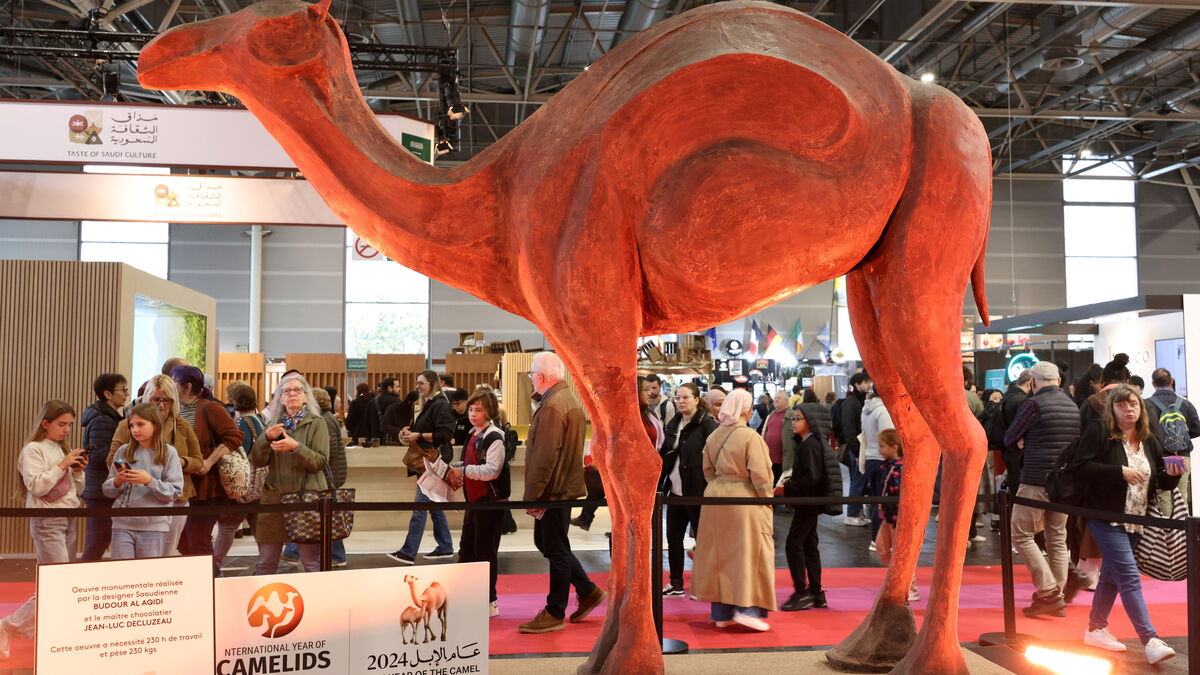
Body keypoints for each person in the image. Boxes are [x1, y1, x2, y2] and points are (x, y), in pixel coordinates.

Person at [1073, 384, 1183, 665]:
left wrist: (1172, 474)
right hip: (1104, 517)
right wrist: (1117, 472)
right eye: (1121, 405)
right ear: (1112, 409)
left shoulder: (1149, 439)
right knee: (1129, 576)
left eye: (1132, 404)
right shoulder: (1100, 431)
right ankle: (1150, 639)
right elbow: (1079, 466)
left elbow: (1159, 480)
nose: (1128, 409)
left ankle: (1096, 628)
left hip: (1136, 520)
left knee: (1111, 575)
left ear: (1141, 408)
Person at [518, 352, 605, 634]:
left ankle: (555, 611)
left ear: (541, 376)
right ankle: (588, 590)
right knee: (551, 544)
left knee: (554, 548)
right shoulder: (563, 400)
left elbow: (545, 456)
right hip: (559, 488)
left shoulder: (554, 405)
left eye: (532, 374)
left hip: (554, 491)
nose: (531, 378)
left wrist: (533, 495)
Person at [0, 401, 88, 660]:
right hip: (46, 519)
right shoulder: (33, 449)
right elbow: (36, 486)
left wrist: (78, 472)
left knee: (62, 583)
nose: (66, 430)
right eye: (62, 424)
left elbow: (76, 492)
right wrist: (62, 465)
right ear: (45, 423)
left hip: (69, 518)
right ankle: (8, 625)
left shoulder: (63, 449)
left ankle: (29, 629)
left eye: (70, 425)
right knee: (56, 584)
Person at [692, 388, 776, 631]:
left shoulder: (714, 436)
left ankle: (721, 613)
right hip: (744, 500)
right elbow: (761, 476)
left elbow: (707, 471)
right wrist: (767, 501)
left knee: (718, 557)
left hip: (715, 498)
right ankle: (746, 608)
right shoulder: (750, 437)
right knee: (747, 555)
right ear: (745, 409)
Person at [1003, 361, 1081, 616]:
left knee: (1021, 533)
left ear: (1033, 383)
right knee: (1057, 538)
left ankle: (1047, 591)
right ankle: (1055, 595)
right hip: (1064, 483)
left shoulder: (1032, 405)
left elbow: (1009, 437)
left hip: (1036, 478)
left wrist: (1023, 439)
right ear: (1058, 381)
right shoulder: (1072, 405)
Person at [112, 375, 204, 556]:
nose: (161, 405)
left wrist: (181, 462)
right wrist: (128, 473)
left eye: (167, 400)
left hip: (175, 498)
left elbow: (198, 461)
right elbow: (112, 458)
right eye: (156, 400)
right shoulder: (127, 425)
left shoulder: (182, 426)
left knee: (167, 554)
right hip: (136, 502)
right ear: (147, 398)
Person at [251, 373, 330, 574]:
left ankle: (320, 604)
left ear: (306, 396)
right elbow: (258, 461)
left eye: (297, 390)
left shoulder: (317, 423)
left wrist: (296, 447)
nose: (292, 394)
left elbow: (320, 462)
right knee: (266, 563)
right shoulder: (273, 425)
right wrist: (265, 438)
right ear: (280, 398)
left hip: (306, 499)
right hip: (274, 499)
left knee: (311, 564)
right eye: (287, 391)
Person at [445, 390, 511, 618]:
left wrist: (463, 470)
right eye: (471, 409)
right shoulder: (474, 433)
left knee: (485, 551)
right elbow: (472, 461)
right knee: (466, 549)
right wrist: (454, 467)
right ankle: (466, 594)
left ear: (490, 411)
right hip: (473, 501)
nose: (473, 414)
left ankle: (489, 600)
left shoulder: (495, 436)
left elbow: (492, 471)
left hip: (490, 503)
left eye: (479, 410)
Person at [172, 365, 242, 573]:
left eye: (173, 381)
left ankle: (211, 584)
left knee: (198, 543)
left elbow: (235, 437)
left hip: (205, 489)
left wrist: (209, 462)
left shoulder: (209, 408)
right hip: (179, 488)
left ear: (186, 386)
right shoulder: (171, 410)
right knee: (182, 543)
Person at [388, 370, 456, 564]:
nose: (417, 386)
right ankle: (445, 546)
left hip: (432, 462)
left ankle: (408, 552)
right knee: (432, 505)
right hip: (429, 461)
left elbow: (444, 434)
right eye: (417, 383)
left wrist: (418, 436)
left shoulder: (439, 404)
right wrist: (411, 433)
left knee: (420, 506)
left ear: (432, 383)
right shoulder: (433, 403)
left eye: (421, 383)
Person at [778, 402, 840, 611]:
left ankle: (802, 592)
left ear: (810, 421)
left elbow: (812, 477)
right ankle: (815, 591)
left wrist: (789, 487)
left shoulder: (810, 444)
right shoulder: (811, 443)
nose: (793, 423)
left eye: (797, 419)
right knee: (808, 545)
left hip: (807, 502)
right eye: (792, 419)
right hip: (809, 502)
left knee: (793, 544)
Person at [102, 403, 184, 559]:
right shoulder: (123, 451)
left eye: (140, 424)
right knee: (122, 574)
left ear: (155, 425)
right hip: (122, 524)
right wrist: (117, 482)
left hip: (154, 526)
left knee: (147, 576)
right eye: (131, 425)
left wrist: (149, 481)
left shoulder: (169, 453)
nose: (135, 430)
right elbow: (107, 489)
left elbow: (175, 491)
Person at [659, 382, 718, 597]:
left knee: (702, 539)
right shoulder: (674, 423)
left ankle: (705, 584)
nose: (681, 401)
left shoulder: (706, 424)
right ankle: (676, 583)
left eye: (685, 397)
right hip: (675, 490)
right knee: (673, 537)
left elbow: (716, 454)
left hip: (697, 490)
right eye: (678, 398)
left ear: (696, 399)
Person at [282, 388, 349, 568]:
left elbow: (328, 451)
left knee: (321, 515)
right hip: (333, 472)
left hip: (328, 474)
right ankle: (333, 554)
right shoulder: (329, 418)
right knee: (328, 515)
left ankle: (294, 551)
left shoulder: (322, 421)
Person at [214, 383, 263, 571]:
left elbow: (235, 455)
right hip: (258, 487)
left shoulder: (241, 424)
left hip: (242, 486)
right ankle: (266, 565)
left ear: (234, 402)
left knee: (227, 527)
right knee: (259, 530)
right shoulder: (260, 421)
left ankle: (213, 565)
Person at [81, 373, 130, 561]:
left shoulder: (108, 417)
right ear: (108, 394)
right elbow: (102, 456)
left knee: (100, 539)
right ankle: (81, 581)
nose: (126, 393)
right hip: (100, 489)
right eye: (123, 389)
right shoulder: (103, 420)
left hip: (101, 488)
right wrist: (127, 467)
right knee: (99, 539)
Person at [873, 428, 919, 602]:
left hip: (898, 517)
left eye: (882, 446)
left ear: (894, 447)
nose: (880, 450)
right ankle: (897, 579)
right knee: (882, 547)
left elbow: (902, 495)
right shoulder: (886, 467)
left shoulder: (901, 468)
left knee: (902, 553)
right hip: (888, 515)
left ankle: (909, 587)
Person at [1147, 367, 1200, 507]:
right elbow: (1197, 429)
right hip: (1183, 455)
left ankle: (1166, 528)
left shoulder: (1146, 404)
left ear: (1153, 384)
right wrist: (1181, 438)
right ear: (1171, 381)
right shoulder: (1186, 404)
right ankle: (1184, 528)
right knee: (1182, 494)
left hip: (1160, 455)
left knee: (1164, 494)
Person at [860, 390, 893, 540]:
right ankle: (878, 539)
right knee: (882, 502)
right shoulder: (883, 410)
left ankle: (877, 538)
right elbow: (888, 436)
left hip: (870, 458)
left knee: (876, 500)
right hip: (881, 460)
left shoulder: (866, 409)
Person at [841, 371, 872, 525]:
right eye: (865, 382)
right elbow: (849, 429)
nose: (868, 385)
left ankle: (856, 512)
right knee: (857, 480)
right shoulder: (851, 402)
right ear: (857, 384)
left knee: (859, 479)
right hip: (857, 448)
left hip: (861, 447)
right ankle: (852, 514)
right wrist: (856, 451)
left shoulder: (859, 401)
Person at [759, 391, 791, 485]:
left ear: (786, 400)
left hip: (784, 459)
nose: (775, 400)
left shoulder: (792, 415)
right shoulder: (771, 415)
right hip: (769, 458)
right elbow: (764, 432)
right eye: (775, 397)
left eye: (779, 398)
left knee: (780, 486)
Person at [371, 378, 402, 445]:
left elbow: (366, 423)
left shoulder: (372, 402)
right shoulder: (397, 403)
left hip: (375, 441)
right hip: (392, 441)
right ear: (389, 388)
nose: (399, 389)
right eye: (397, 387)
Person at [344, 382, 375, 447]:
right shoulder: (373, 402)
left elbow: (349, 423)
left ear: (358, 391)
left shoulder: (355, 403)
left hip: (357, 435)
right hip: (371, 435)